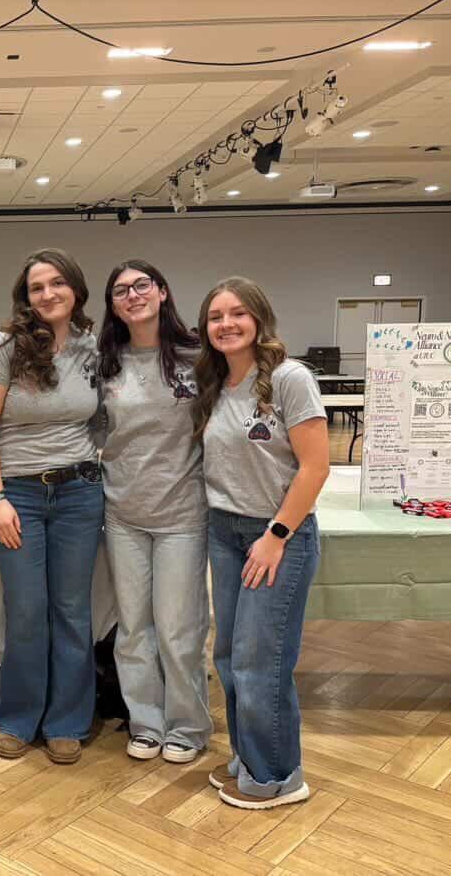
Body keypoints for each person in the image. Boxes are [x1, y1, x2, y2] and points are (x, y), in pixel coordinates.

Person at [193, 276, 329, 810]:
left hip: (277, 534)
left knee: (260, 659)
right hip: (225, 530)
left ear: (259, 319)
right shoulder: (215, 383)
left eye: (237, 314)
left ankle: (278, 777)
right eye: (215, 317)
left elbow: (316, 467)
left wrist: (276, 535)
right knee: (228, 655)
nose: (226, 324)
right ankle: (251, 755)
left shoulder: (290, 379)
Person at [0, 248, 103, 765]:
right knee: (26, 611)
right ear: (25, 297)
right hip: (20, 494)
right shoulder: (5, 348)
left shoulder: (95, 349)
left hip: (79, 493)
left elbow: (105, 418)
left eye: (56, 284)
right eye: (36, 287)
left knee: (72, 611)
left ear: (75, 288)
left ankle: (68, 721)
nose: (47, 294)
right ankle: (19, 718)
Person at [96, 260, 211, 765]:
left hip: (183, 513)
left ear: (162, 292)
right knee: (134, 626)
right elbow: (97, 429)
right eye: (121, 290)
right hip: (122, 512)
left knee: (179, 627)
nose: (132, 294)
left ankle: (187, 725)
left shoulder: (198, 357)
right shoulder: (106, 363)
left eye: (142, 285)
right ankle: (145, 721)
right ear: (113, 305)